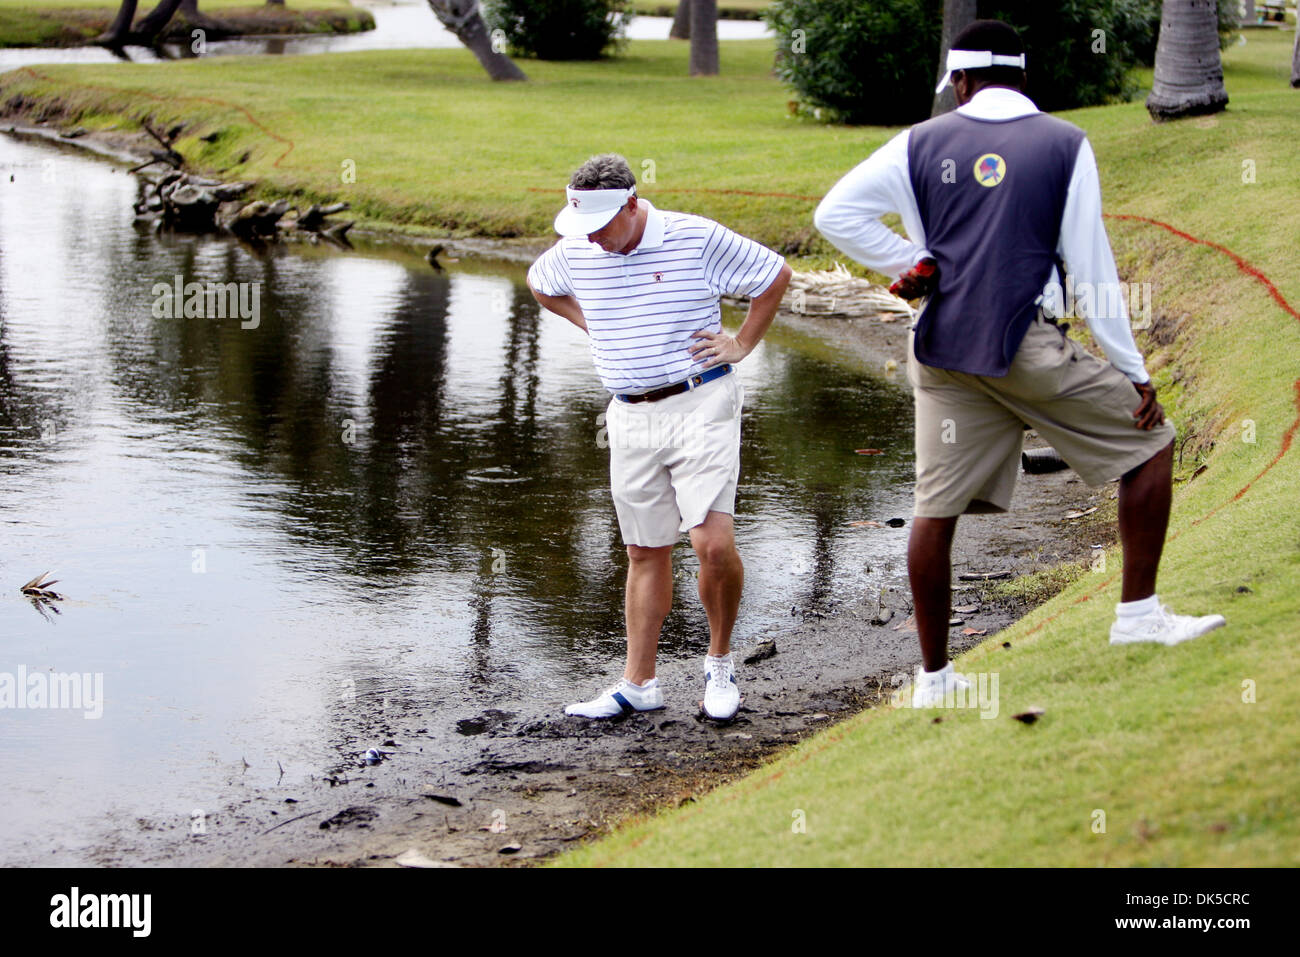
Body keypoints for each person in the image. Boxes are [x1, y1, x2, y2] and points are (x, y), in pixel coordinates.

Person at [813, 20, 1225, 706]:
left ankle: (937, 681)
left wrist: (913, 265)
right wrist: (1134, 369)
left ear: (963, 81)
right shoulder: (1064, 143)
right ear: (1024, 79)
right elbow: (1092, 269)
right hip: (1024, 344)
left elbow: (836, 213)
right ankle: (1137, 617)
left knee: (933, 509)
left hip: (942, 346)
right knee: (1151, 441)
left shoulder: (919, 141)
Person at [527, 154, 792, 720]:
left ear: (630, 204)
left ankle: (719, 666)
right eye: (583, 231)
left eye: (600, 228)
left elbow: (774, 275)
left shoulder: (692, 237)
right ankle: (639, 684)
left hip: (702, 400)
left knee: (711, 543)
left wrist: (742, 343)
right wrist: (591, 323)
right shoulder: (577, 247)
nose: (592, 242)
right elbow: (540, 284)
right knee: (644, 550)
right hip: (629, 414)